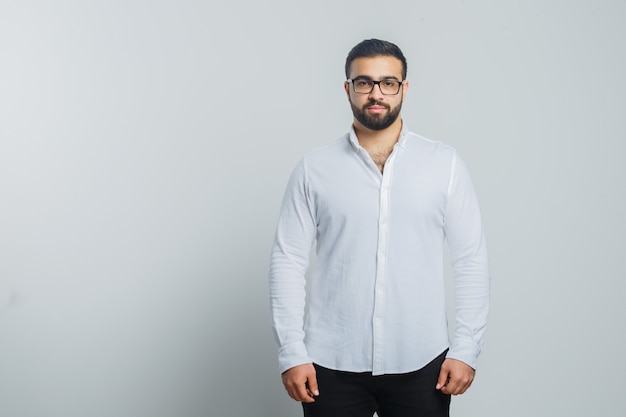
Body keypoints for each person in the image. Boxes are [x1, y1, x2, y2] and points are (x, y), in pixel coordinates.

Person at [268, 38, 490, 417]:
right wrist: (292, 351)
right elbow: (288, 261)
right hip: (330, 364)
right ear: (348, 89)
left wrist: (466, 348)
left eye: (388, 82)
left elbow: (470, 259)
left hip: (423, 363)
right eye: (364, 82)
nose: (376, 93)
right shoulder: (314, 169)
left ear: (404, 88)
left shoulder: (444, 164)